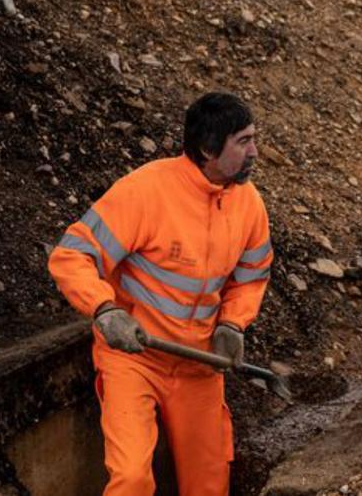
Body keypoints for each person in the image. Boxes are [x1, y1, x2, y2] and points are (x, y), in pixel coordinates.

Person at [48, 92, 272, 495]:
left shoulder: (249, 205)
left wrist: (233, 324)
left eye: (253, 138)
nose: (255, 151)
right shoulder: (146, 191)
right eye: (243, 141)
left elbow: (251, 278)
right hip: (136, 360)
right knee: (132, 477)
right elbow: (72, 254)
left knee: (209, 483)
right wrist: (104, 310)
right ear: (207, 149)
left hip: (198, 364)